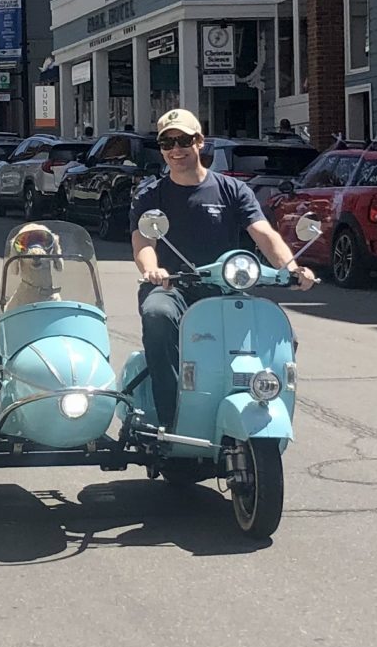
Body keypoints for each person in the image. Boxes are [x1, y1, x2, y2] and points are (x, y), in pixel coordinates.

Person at [131, 109, 316, 431]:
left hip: (226, 289)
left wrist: (292, 267)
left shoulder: (232, 190)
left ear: (200, 142)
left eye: (184, 140)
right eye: (167, 142)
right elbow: (143, 241)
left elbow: (264, 233)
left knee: (283, 336)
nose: (176, 149)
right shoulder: (151, 195)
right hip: (171, 288)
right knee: (157, 317)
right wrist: (153, 270)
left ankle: (262, 398)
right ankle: (170, 420)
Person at [0, 224, 63, 358]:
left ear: (53, 248)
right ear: (17, 253)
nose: (36, 251)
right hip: (17, 355)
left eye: (43, 242)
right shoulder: (18, 303)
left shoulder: (57, 301)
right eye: (24, 244)